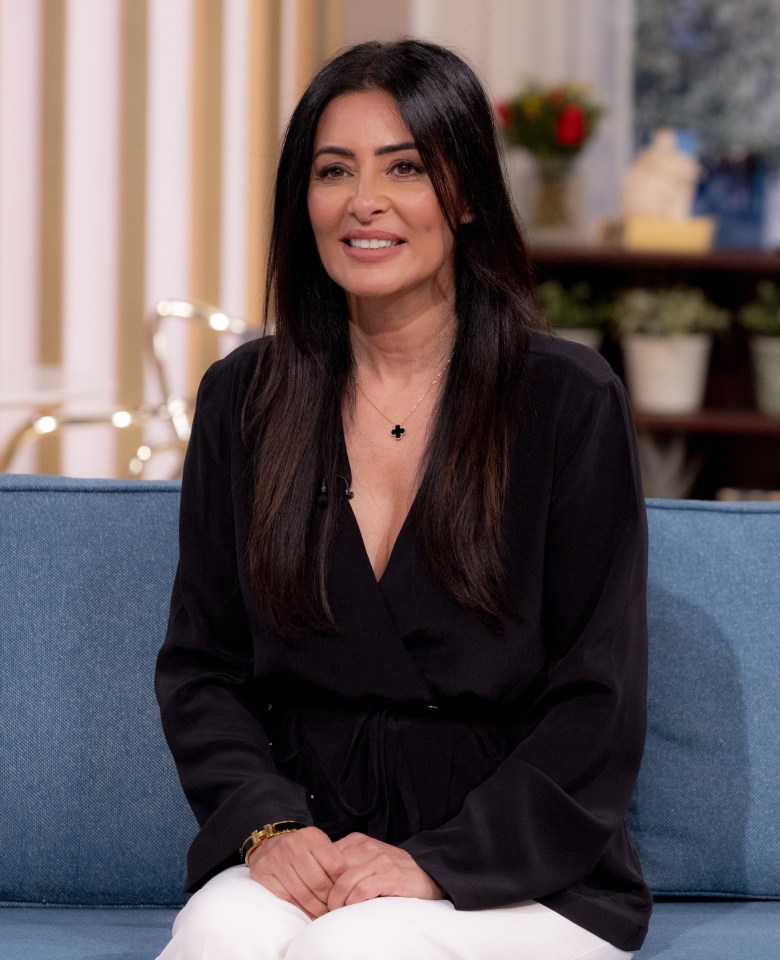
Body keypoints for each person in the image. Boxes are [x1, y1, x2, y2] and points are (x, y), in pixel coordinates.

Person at [155, 38, 651, 960]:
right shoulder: (244, 399)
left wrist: (439, 863)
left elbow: (598, 698)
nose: (363, 202)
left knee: (359, 950)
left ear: (463, 196)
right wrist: (268, 829)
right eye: (333, 170)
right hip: (312, 848)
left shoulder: (569, 400)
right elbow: (202, 668)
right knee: (215, 940)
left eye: (405, 168)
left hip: (519, 864)